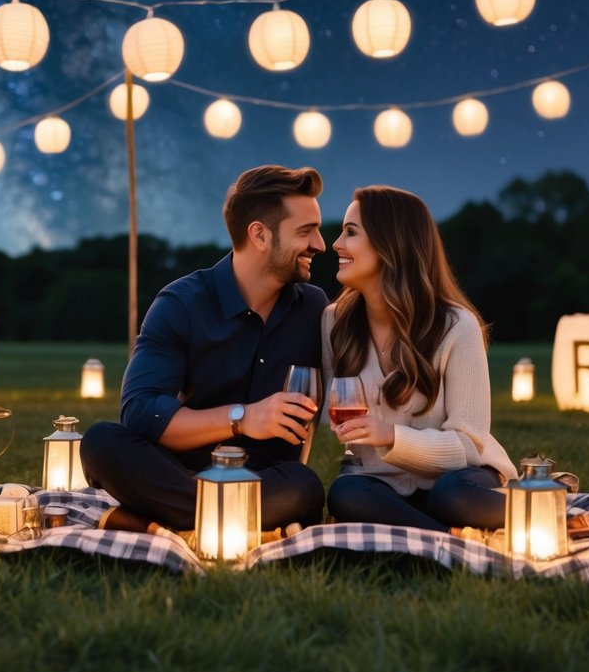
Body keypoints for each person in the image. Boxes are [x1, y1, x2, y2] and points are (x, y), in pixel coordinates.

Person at [81, 165, 329, 533]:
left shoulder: (315, 308)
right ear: (259, 235)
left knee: (305, 486)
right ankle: (225, 518)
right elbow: (141, 412)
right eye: (306, 231)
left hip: (269, 482)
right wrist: (244, 417)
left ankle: (178, 519)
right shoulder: (181, 304)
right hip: (180, 473)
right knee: (100, 442)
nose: (320, 245)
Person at [323, 185, 518, 532]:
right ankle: (447, 537)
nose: (336, 243)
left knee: (452, 496)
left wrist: (390, 435)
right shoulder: (334, 322)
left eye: (351, 232)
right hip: (385, 487)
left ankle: (530, 511)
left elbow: (467, 447)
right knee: (345, 492)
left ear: (390, 245)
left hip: (460, 478)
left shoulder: (457, 326)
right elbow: (334, 420)